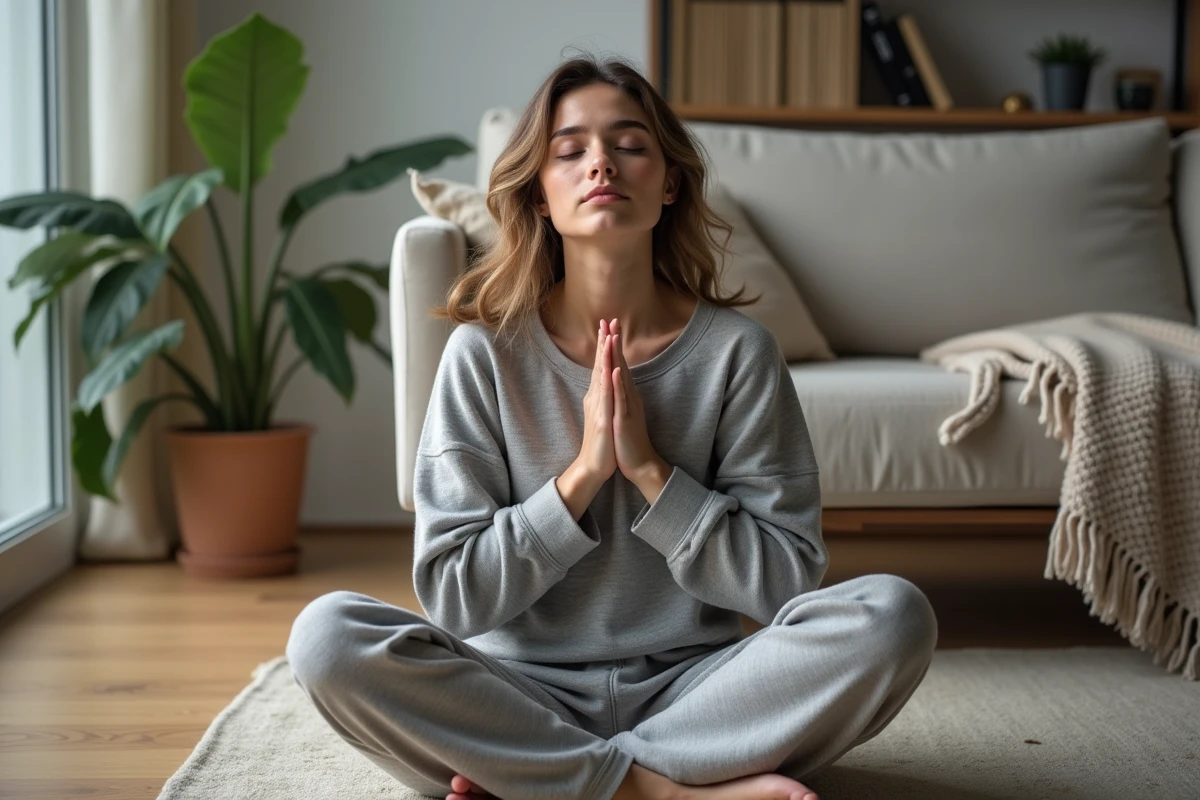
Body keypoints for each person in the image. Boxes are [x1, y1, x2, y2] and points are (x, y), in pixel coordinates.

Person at [286, 53, 938, 800]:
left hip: (697, 692)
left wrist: (654, 475)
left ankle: (547, 782)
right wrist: (582, 476)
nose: (600, 163)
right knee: (328, 637)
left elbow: (785, 582)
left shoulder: (737, 354)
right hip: (518, 691)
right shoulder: (482, 356)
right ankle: (662, 789)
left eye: (629, 144)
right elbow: (455, 599)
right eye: (569, 151)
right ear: (539, 194)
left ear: (669, 183)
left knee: (892, 616)